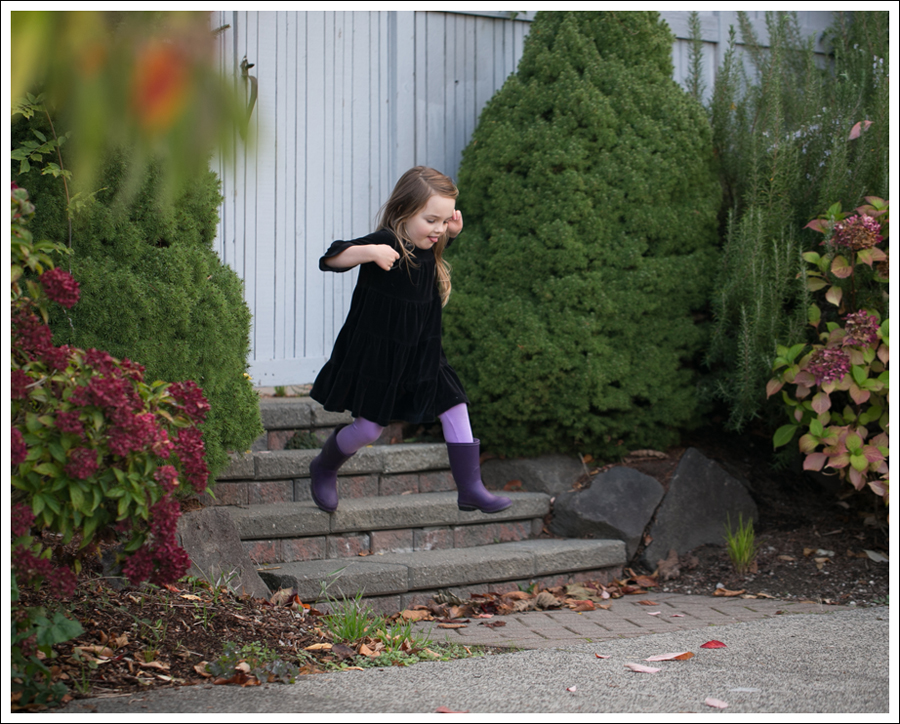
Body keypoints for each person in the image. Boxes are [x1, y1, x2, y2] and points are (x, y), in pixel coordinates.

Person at [308, 166, 511, 515]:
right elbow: (332, 259)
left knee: (455, 405)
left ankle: (470, 488)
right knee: (369, 430)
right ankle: (324, 466)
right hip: (380, 358)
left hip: (424, 352)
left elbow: (430, 241)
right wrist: (369, 253)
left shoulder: (428, 243)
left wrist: (452, 233)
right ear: (404, 211)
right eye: (432, 220)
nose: (439, 230)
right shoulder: (386, 243)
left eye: (445, 221)